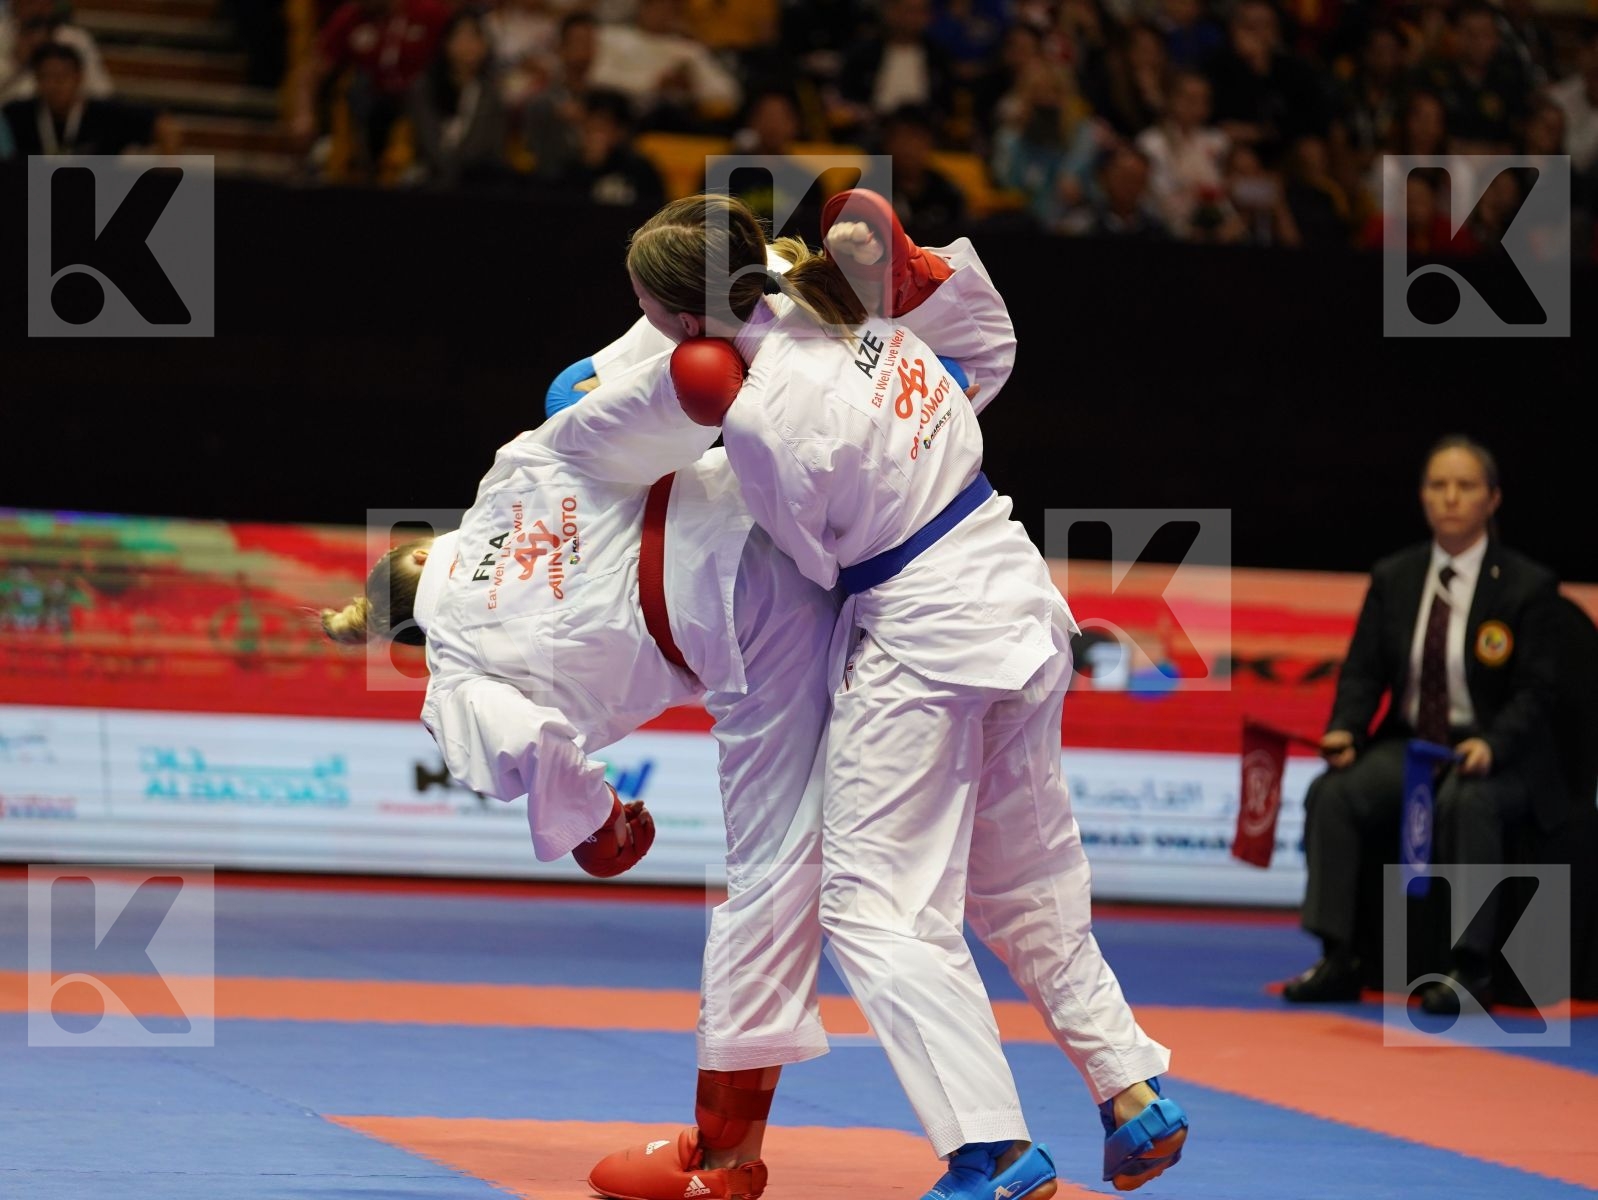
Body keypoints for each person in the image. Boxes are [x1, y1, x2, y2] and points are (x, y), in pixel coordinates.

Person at [598, 189, 1187, 1200]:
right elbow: (981, 354)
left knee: (872, 909)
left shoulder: (760, 419)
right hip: (1013, 587)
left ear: (676, 321)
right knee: (1023, 879)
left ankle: (991, 1152)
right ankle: (1129, 1089)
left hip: (925, 638)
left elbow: (815, 567)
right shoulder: (851, 302)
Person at [1284, 435, 1562, 1014]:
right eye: (1438, 485)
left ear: (1493, 499)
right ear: (1423, 497)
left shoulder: (1526, 586)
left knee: (1469, 804)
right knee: (1333, 794)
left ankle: (1470, 967)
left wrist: (1493, 742)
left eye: (1465, 486)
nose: (1451, 497)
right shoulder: (1396, 577)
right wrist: (1347, 730)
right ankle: (1339, 956)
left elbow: (1538, 693)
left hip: (1493, 752)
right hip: (1412, 746)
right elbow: (1362, 673)